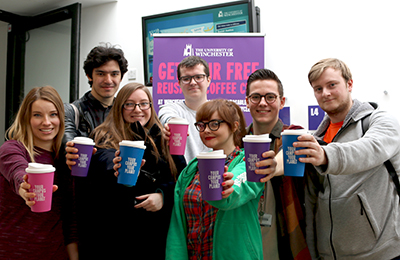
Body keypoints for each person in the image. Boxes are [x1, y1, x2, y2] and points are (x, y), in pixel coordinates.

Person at [296, 58, 400, 260]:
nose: (325, 93)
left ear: (349, 84)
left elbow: (368, 149)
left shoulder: (380, 121)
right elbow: (312, 204)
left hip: (382, 254)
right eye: (318, 89)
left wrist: (326, 155)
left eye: (332, 85)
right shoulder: (318, 138)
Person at [76, 83, 186, 259]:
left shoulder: (163, 138)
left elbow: (183, 182)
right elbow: (102, 168)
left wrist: (163, 195)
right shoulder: (102, 136)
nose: (138, 109)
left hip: (156, 238)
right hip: (115, 236)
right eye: (130, 104)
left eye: (144, 103)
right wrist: (117, 165)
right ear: (120, 107)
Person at [166, 99, 265, 260]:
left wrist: (224, 188)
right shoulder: (191, 169)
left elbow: (230, 198)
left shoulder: (251, 164)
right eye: (202, 125)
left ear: (234, 126)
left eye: (214, 124)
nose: (206, 131)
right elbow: (177, 226)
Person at [0, 86, 77, 259]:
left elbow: (69, 220)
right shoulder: (12, 149)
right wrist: (25, 187)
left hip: (54, 253)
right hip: (13, 252)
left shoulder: (65, 159)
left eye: (53, 114)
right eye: (37, 115)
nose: (46, 122)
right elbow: (17, 172)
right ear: (26, 118)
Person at [245, 69, 311, 259]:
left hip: (286, 238)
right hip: (246, 238)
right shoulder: (238, 141)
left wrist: (273, 165)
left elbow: (286, 155)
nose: (263, 103)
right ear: (248, 101)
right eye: (256, 97)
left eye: (270, 97)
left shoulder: (294, 135)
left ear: (281, 102)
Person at [64, 43, 128, 143]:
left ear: (121, 77)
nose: (108, 80)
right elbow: (69, 149)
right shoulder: (72, 112)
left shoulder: (127, 111)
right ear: (89, 76)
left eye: (114, 74)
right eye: (101, 74)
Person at [158, 56, 211, 163]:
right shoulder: (172, 109)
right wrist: (170, 126)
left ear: (208, 80)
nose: (192, 82)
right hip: (183, 177)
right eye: (186, 79)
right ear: (179, 83)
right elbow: (166, 117)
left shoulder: (220, 112)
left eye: (198, 77)